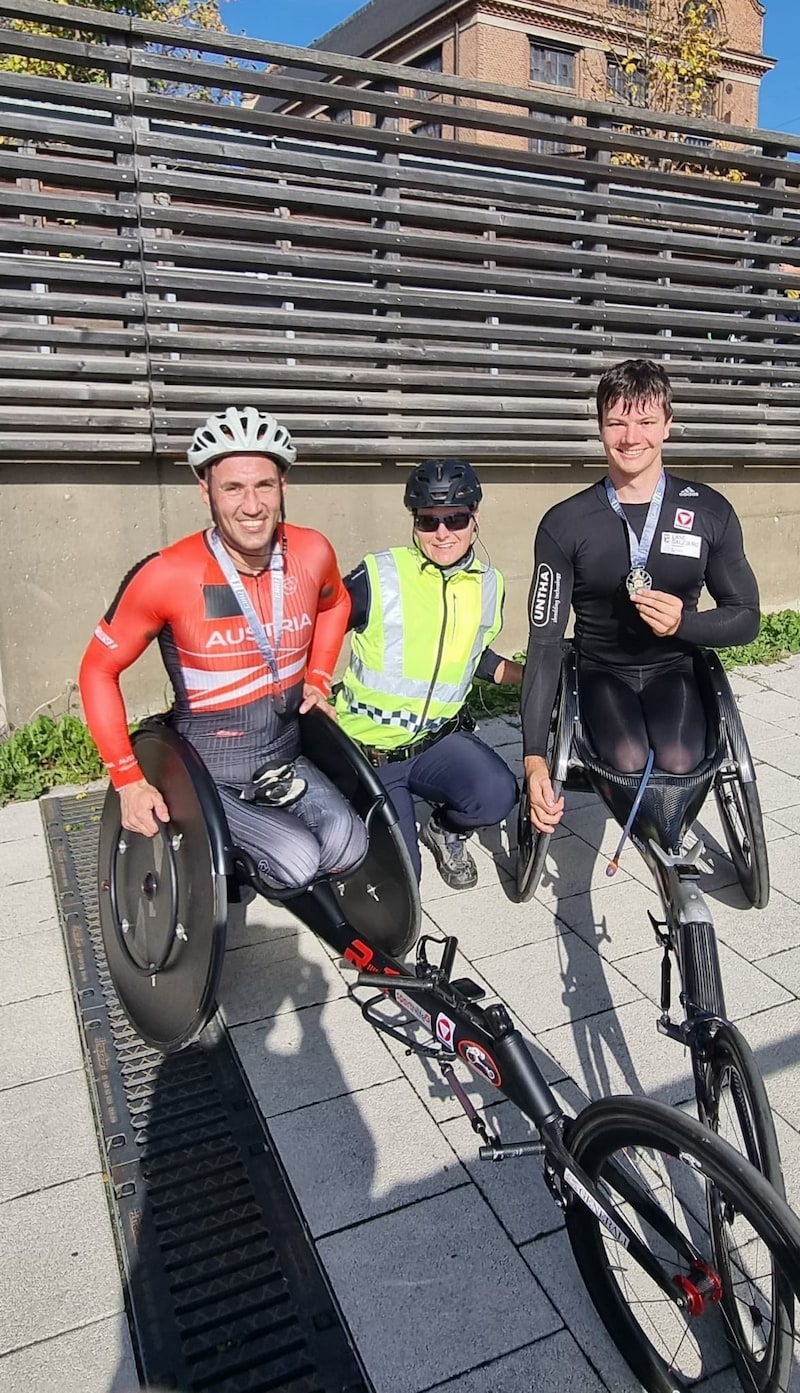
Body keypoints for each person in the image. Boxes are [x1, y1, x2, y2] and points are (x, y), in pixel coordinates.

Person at [79, 406, 367, 891]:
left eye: (264, 486)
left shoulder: (312, 551)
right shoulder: (167, 575)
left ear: (283, 487)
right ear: (206, 490)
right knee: (296, 863)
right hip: (207, 768)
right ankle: (220, 866)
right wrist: (128, 779)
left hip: (284, 753)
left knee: (349, 845)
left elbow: (337, 605)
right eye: (233, 487)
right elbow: (97, 670)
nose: (251, 505)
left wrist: (318, 677)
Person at [521, 358, 760, 835]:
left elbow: (746, 617)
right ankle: (657, 833)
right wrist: (533, 761)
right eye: (618, 422)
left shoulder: (710, 511)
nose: (632, 437)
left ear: (668, 426)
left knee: (679, 758)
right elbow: (545, 643)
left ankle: (667, 840)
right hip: (600, 669)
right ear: (601, 427)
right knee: (628, 758)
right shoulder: (566, 523)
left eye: (647, 421)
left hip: (675, 667)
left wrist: (683, 625)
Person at [335, 457, 522, 890]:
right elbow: (317, 628)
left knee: (497, 794)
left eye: (455, 519)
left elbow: (476, 657)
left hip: (437, 744)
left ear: (474, 518)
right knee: (401, 881)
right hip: (372, 755)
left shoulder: (489, 583)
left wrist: (528, 677)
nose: (442, 534)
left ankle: (444, 830)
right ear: (415, 522)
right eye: (428, 521)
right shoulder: (381, 574)